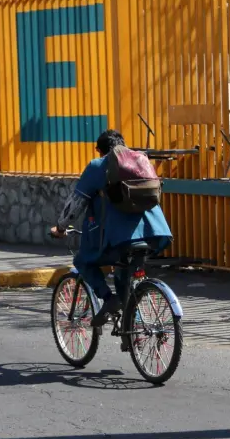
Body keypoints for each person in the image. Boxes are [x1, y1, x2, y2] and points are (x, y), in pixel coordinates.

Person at [50, 129, 172, 329]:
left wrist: (61, 228)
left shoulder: (98, 166)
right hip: (154, 233)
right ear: (123, 144)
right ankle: (129, 328)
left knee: (82, 261)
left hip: (118, 239)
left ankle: (109, 299)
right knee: (126, 271)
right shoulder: (141, 160)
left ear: (99, 150)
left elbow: (76, 204)